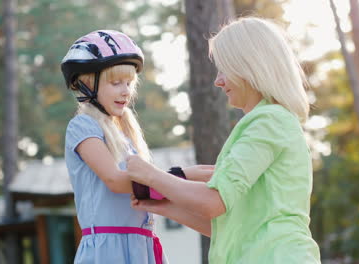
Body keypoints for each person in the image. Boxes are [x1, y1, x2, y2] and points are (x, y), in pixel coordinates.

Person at [126, 17, 321, 263]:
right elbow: (231, 227)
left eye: (223, 69)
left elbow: (213, 202)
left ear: (249, 66)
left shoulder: (269, 121)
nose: (218, 81)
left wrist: (151, 175)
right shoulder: (272, 121)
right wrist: (165, 207)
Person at [61, 29, 169, 264]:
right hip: (108, 251)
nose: (125, 91)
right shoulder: (82, 127)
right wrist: (179, 178)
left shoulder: (126, 138)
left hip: (142, 248)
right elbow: (116, 181)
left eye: (129, 83)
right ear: (87, 83)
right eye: (116, 82)